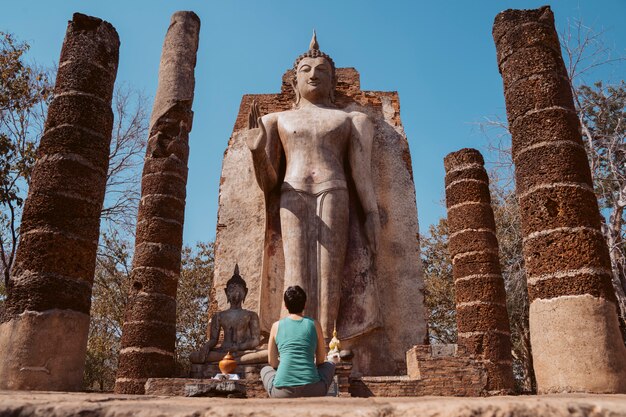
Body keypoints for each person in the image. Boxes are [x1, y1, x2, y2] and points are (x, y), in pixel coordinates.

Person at [247, 32, 380, 339]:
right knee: (295, 273)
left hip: (333, 190)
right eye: (305, 70)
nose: (313, 74)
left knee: (329, 274)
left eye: (322, 71)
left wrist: (372, 213)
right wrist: (256, 151)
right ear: (294, 81)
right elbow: (268, 182)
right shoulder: (276, 120)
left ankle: (328, 342)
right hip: (291, 192)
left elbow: (361, 174)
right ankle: (295, 342)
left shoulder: (349, 120)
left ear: (333, 81)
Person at [260, 286, 336, 398]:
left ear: (286, 306)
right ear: (305, 304)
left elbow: (272, 362)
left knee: (265, 369)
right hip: (313, 390)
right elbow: (320, 360)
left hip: (282, 393)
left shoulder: (276, 326)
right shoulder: (315, 324)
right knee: (330, 365)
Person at [189, 265, 264, 364]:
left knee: (265, 355)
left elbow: (255, 341)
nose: (235, 291)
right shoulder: (219, 316)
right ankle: (235, 360)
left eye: (239, 288)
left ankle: (230, 360)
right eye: (231, 288)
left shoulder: (251, 315)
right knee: (193, 356)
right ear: (226, 292)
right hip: (223, 352)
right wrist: (206, 346)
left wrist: (238, 347)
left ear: (245, 292)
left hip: (243, 351)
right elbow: (213, 340)